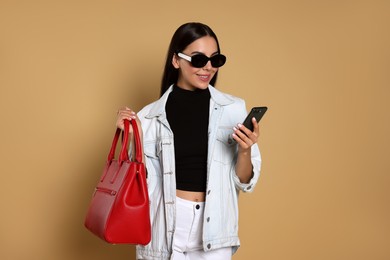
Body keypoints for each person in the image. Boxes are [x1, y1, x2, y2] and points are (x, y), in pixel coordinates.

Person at [116, 22, 262, 260]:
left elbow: (245, 182)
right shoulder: (148, 116)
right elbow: (136, 185)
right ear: (176, 60)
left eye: (215, 60)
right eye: (198, 59)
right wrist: (131, 137)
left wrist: (245, 150)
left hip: (215, 228)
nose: (207, 67)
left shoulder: (233, 109)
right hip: (165, 224)